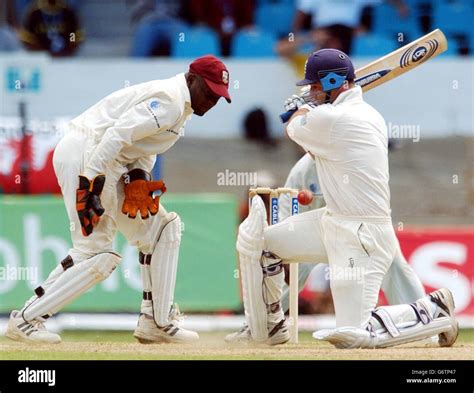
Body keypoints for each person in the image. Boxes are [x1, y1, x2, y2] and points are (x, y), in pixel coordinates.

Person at [234, 49, 458, 348]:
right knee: (260, 243)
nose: (310, 93)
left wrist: (300, 109)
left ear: (332, 82)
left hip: (361, 235)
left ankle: (431, 310)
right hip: (333, 221)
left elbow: (294, 128)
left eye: (314, 86)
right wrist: (308, 109)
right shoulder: (364, 114)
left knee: (352, 337)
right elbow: (318, 149)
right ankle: (271, 322)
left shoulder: (335, 119)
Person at [5, 55, 232, 344]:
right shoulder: (170, 100)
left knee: (159, 230)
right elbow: (117, 135)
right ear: (191, 79)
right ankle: (27, 320)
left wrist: (138, 176)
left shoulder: (180, 107)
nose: (212, 100)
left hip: (100, 159)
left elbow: (141, 145)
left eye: (218, 96)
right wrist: (89, 179)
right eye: (209, 91)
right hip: (90, 155)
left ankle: (155, 321)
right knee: (99, 252)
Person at [226, 152, 427, 342]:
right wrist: (282, 251)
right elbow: (286, 216)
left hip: (358, 227)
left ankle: (426, 320)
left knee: (394, 264)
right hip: (315, 229)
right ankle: (260, 326)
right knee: (294, 270)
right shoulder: (302, 170)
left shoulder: (352, 158)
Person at [19, 0, 83, 57]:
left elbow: (74, 34)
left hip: (65, 58)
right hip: (42, 59)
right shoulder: (34, 13)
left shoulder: (68, 12)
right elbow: (28, 39)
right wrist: (44, 53)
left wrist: (68, 49)